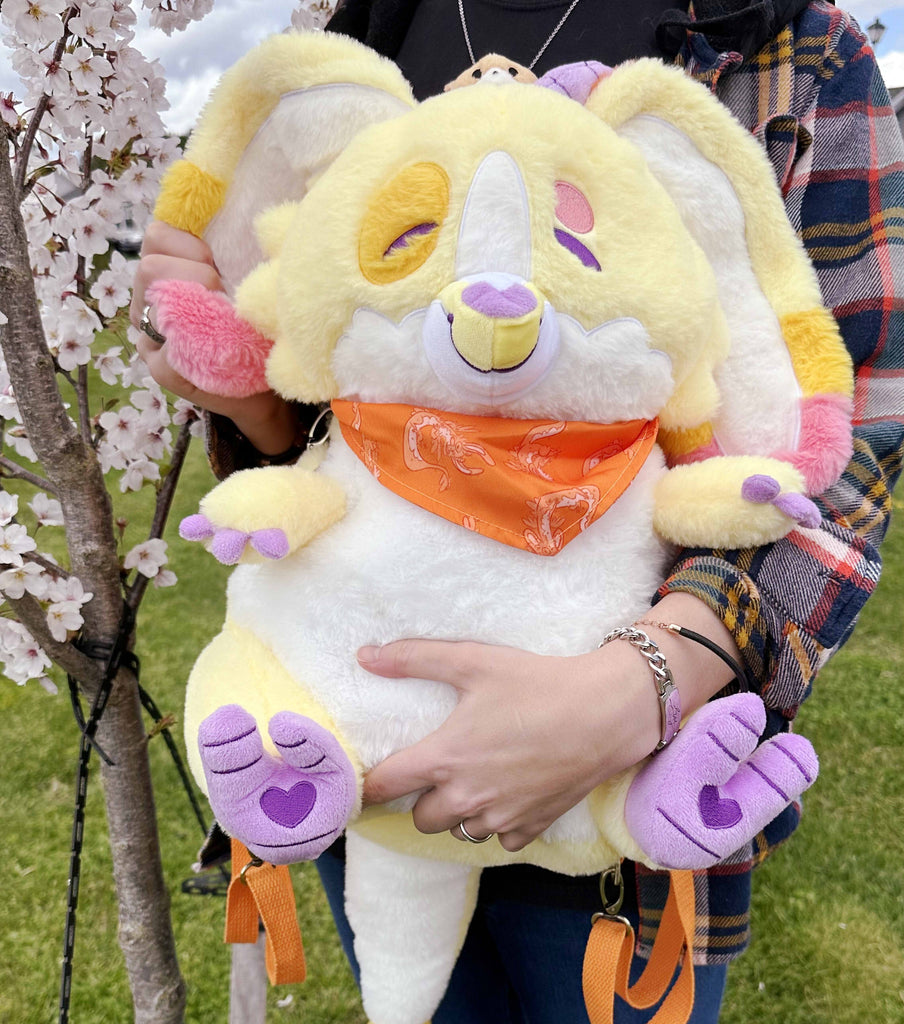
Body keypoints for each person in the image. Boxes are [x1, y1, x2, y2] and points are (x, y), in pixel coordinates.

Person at [130, 2, 904, 1020]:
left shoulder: (794, 51)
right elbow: (329, 408)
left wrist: (645, 682)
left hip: (628, 767)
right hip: (367, 750)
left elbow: (857, 434)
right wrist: (246, 390)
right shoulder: (363, 27)